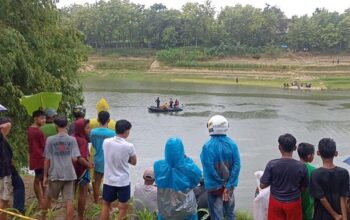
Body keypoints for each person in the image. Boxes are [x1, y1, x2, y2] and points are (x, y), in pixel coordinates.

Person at [200, 115, 241, 220]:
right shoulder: (233, 145)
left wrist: (221, 184)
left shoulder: (207, 147)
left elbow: (209, 169)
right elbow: (237, 166)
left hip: (215, 189)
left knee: (216, 215)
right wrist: (228, 185)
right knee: (230, 213)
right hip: (229, 188)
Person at [260, 133, 308, 220]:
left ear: (279, 147)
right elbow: (304, 188)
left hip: (275, 202)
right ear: (295, 148)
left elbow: (262, 185)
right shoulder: (301, 166)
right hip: (294, 202)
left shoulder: (272, 164)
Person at [43, 115, 81, 220]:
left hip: (55, 173)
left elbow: (47, 159)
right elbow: (75, 159)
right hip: (69, 173)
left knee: (49, 197)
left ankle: (44, 217)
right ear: (67, 125)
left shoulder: (50, 140)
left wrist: (45, 176)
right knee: (69, 201)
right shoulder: (72, 140)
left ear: (55, 125)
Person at [154, 137, 202, 220]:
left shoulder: (158, 166)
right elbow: (197, 177)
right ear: (182, 150)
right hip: (187, 210)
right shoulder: (189, 168)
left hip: (165, 211)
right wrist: (187, 159)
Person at [100, 120, 136, 220]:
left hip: (109, 179)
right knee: (123, 207)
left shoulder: (106, 142)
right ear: (127, 131)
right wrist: (125, 159)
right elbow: (134, 162)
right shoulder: (129, 146)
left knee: (105, 204)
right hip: (123, 181)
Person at [310, 138, 349, 220]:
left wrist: (335, 215)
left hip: (321, 216)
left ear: (318, 153)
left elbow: (322, 198)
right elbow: (344, 198)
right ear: (336, 153)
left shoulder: (315, 174)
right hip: (340, 214)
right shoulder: (344, 172)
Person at [90, 111, 115, 204]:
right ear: (108, 120)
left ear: (97, 120)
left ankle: (96, 201)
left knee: (96, 180)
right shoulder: (113, 134)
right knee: (109, 182)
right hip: (109, 161)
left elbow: (93, 144)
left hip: (98, 159)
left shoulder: (93, 132)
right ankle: (108, 203)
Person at [72, 118, 94, 220]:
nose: (89, 130)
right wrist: (89, 165)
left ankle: (70, 214)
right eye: (87, 127)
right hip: (82, 171)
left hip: (71, 170)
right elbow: (80, 158)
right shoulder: (83, 140)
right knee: (83, 194)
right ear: (81, 128)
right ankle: (80, 216)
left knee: (71, 195)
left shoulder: (71, 137)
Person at [27, 109, 46, 208]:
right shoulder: (38, 132)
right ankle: (42, 200)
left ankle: (42, 199)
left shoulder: (30, 129)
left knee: (39, 178)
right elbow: (44, 145)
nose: (44, 120)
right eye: (41, 118)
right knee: (39, 178)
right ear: (35, 118)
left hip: (34, 156)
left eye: (44, 118)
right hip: (40, 157)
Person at [297, 143, 316, 220]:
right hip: (308, 203)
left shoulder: (293, 167)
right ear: (309, 156)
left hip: (295, 201)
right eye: (313, 154)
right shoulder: (313, 170)